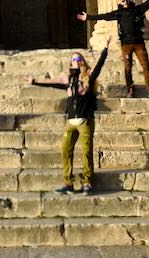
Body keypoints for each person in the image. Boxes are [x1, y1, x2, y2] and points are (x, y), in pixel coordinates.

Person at [26, 37, 111, 195]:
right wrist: (34, 81)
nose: (76, 61)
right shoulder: (68, 79)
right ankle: (68, 182)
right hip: (70, 121)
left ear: (83, 61)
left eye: (78, 58)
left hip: (85, 120)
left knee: (86, 151)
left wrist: (105, 49)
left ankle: (87, 182)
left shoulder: (88, 78)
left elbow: (99, 67)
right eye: (73, 59)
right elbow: (52, 82)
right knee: (65, 149)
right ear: (70, 63)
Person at [77, 0, 149, 97]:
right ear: (120, 2)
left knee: (145, 65)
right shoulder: (118, 14)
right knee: (127, 68)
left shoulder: (137, 10)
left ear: (130, 1)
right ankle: (130, 89)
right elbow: (104, 16)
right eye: (123, 1)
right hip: (126, 44)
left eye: (127, 0)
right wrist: (88, 17)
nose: (125, 2)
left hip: (139, 43)